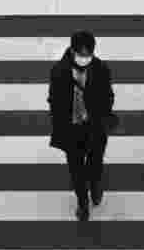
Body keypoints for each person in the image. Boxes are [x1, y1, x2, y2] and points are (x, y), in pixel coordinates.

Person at [47, 30, 118, 221]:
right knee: (77, 170)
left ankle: (95, 186)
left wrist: (104, 115)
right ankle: (82, 203)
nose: (84, 58)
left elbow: (108, 96)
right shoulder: (59, 71)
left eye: (88, 54)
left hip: (95, 127)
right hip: (71, 129)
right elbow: (54, 101)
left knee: (95, 165)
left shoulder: (101, 69)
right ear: (72, 51)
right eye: (81, 54)